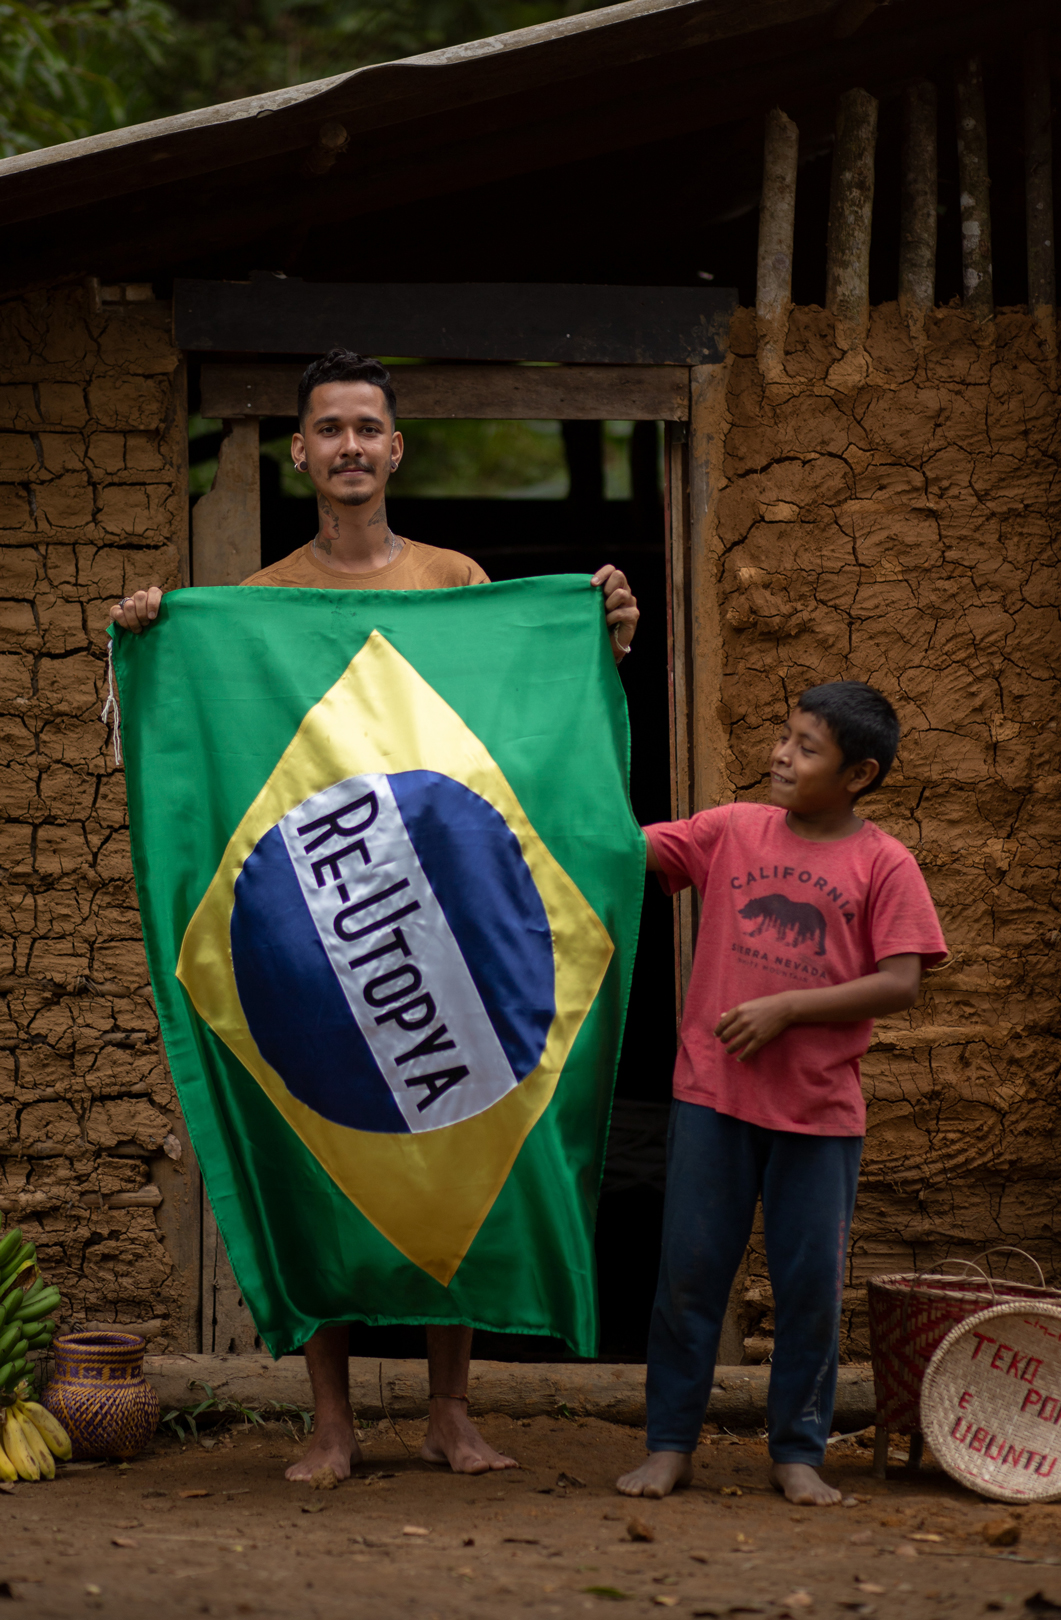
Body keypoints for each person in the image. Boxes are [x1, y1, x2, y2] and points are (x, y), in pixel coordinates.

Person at [111, 348, 640, 1481]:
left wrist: (595, 638)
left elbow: (508, 737)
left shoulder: (456, 582)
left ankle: (452, 1410)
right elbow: (207, 739)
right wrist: (156, 641)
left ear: (396, 450)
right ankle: (333, 1425)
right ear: (300, 451)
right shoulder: (253, 606)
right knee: (322, 1149)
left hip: (444, 914)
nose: (349, 446)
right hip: (309, 931)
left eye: (367, 427)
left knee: (464, 1135)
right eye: (329, 429)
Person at [616, 682, 946, 1507]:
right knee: (689, 1276)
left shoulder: (883, 863)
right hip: (711, 1095)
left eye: (807, 747)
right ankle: (669, 1444)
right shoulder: (731, 830)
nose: (781, 754)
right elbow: (628, 849)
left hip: (818, 1115)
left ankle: (797, 1450)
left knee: (808, 1289)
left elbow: (902, 982)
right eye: (785, 736)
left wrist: (790, 1007)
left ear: (859, 774)